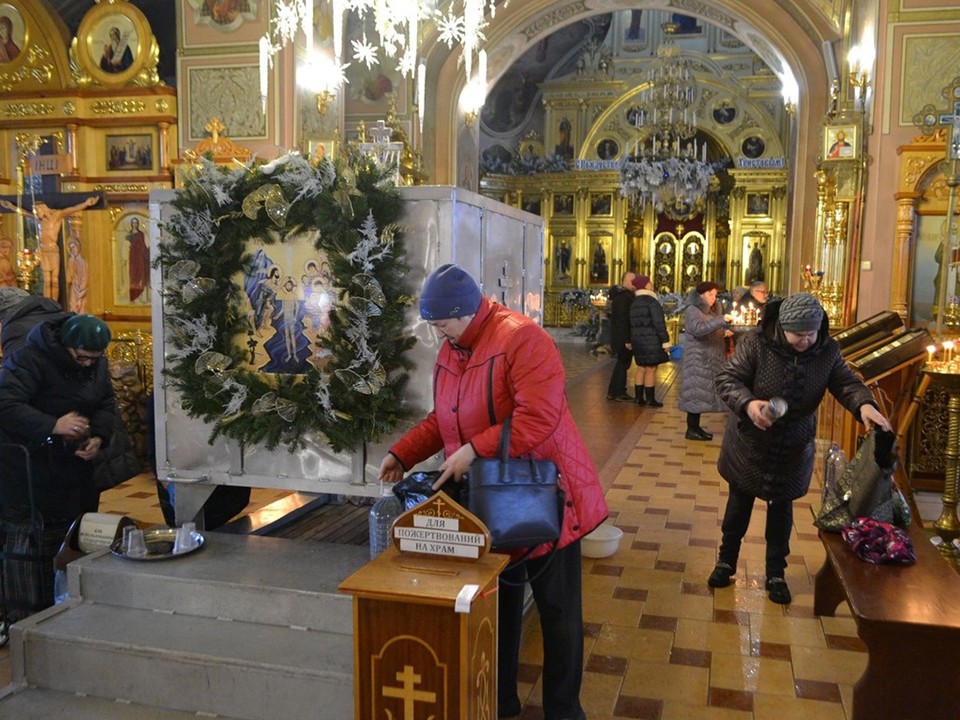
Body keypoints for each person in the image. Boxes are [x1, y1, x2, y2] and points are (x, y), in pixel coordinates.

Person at [378, 264, 607, 720]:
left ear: (464, 311)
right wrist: (403, 454)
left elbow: (540, 418)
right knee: (496, 605)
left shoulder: (521, 339)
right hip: (486, 501)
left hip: (543, 496)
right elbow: (443, 418)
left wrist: (474, 450)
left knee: (557, 610)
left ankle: (564, 709)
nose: (437, 332)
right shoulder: (453, 348)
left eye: (442, 322)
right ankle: (500, 702)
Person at [709, 293, 891, 604]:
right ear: (782, 327)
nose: (806, 340)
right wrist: (750, 404)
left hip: (793, 445)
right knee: (739, 505)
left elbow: (846, 383)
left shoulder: (827, 350)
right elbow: (728, 378)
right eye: (799, 334)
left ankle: (776, 572)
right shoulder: (756, 343)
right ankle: (726, 561)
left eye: (811, 333)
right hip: (750, 441)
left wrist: (865, 406)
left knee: (781, 511)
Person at [0, 313, 117, 619]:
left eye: (95, 358)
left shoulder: (96, 364)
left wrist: (99, 437)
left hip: (73, 469)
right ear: (66, 346)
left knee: (76, 534)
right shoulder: (28, 359)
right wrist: (53, 424)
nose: (88, 364)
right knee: (33, 546)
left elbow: (106, 401)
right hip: (29, 471)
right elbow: (6, 405)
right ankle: (27, 617)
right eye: (82, 358)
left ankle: (70, 610)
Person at [0, 196, 100, 303]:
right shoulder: (39, 220)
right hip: (43, 251)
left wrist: (86, 203)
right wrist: (11, 206)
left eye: (37, 210)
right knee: (47, 281)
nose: (36, 213)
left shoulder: (56, 216)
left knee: (55, 281)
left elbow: (72, 209)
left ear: (43, 208)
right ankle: (48, 304)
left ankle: (54, 303)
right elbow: (23, 213)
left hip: (53, 251)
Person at [678, 281, 732, 440]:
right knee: (695, 393)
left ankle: (696, 428)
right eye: (710, 294)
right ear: (700, 295)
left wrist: (723, 333)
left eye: (715, 295)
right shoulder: (693, 310)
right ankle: (691, 429)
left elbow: (709, 330)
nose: (713, 298)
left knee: (700, 394)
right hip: (697, 359)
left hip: (708, 358)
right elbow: (698, 330)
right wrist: (721, 320)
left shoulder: (712, 311)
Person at [629, 274, 670, 407]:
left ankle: (638, 398)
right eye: (650, 282)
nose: (652, 284)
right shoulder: (652, 302)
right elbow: (659, 324)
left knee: (641, 368)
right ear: (646, 285)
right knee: (651, 368)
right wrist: (665, 341)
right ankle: (650, 400)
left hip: (637, 341)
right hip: (651, 340)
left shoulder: (634, 302)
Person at [605, 270, 636, 402]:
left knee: (623, 364)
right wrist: (627, 339)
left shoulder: (622, 296)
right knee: (622, 364)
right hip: (623, 337)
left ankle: (616, 391)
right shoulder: (624, 297)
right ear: (626, 281)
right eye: (632, 281)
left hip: (620, 336)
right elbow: (624, 320)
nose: (635, 284)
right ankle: (617, 392)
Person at [126, 217, 149, 303]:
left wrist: (145, 253)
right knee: (133, 277)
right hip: (133, 258)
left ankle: (142, 297)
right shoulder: (129, 234)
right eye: (133, 223)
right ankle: (133, 298)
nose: (134, 224)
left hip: (140, 258)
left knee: (141, 276)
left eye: (136, 223)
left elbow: (143, 245)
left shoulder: (141, 234)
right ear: (131, 224)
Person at [66, 234, 88, 314]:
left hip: (82, 292)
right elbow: (69, 279)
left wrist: (80, 294)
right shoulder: (71, 261)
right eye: (71, 248)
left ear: (78, 247)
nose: (72, 250)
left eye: (74, 247)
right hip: (74, 291)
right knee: (74, 311)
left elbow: (85, 279)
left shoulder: (83, 262)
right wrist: (71, 262)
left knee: (82, 312)